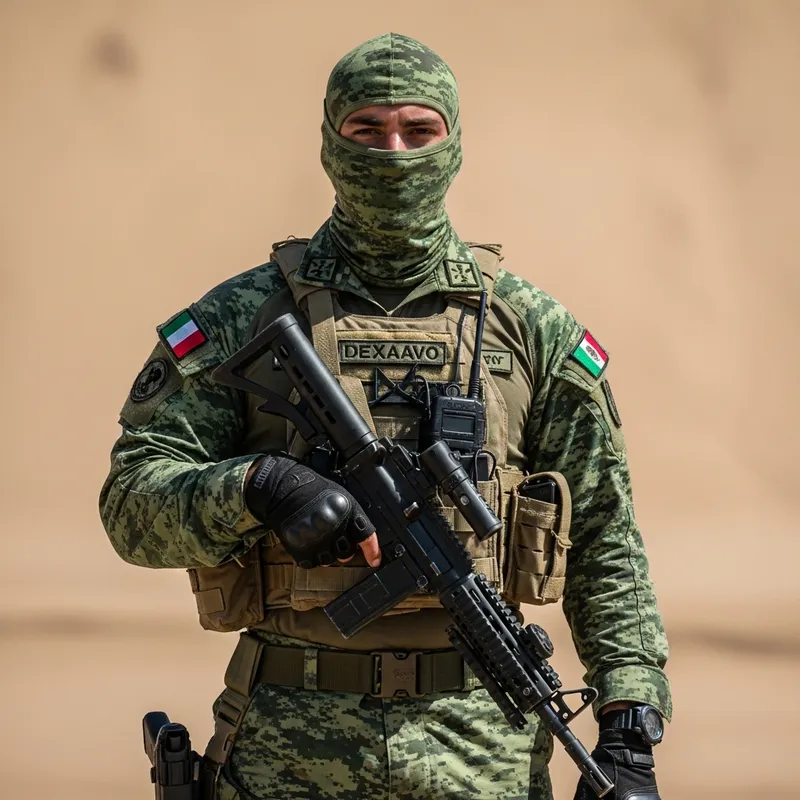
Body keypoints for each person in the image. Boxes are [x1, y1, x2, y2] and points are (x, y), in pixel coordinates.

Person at [100, 32, 671, 800]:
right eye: (367, 129)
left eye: (418, 130)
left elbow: (605, 538)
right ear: (329, 142)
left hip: (485, 758)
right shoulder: (241, 317)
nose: (394, 153)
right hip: (288, 752)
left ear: (454, 143)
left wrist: (630, 726)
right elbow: (131, 504)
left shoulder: (532, 328)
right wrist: (260, 487)